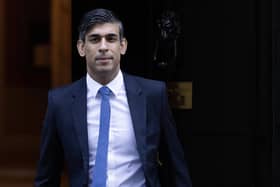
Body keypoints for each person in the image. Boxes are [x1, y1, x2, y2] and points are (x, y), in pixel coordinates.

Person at [34, 8, 192, 187]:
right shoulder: (60, 102)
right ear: (81, 48)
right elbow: (47, 176)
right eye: (94, 39)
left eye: (111, 38)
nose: (103, 47)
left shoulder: (153, 95)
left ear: (122, 46)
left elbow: (175, 166)